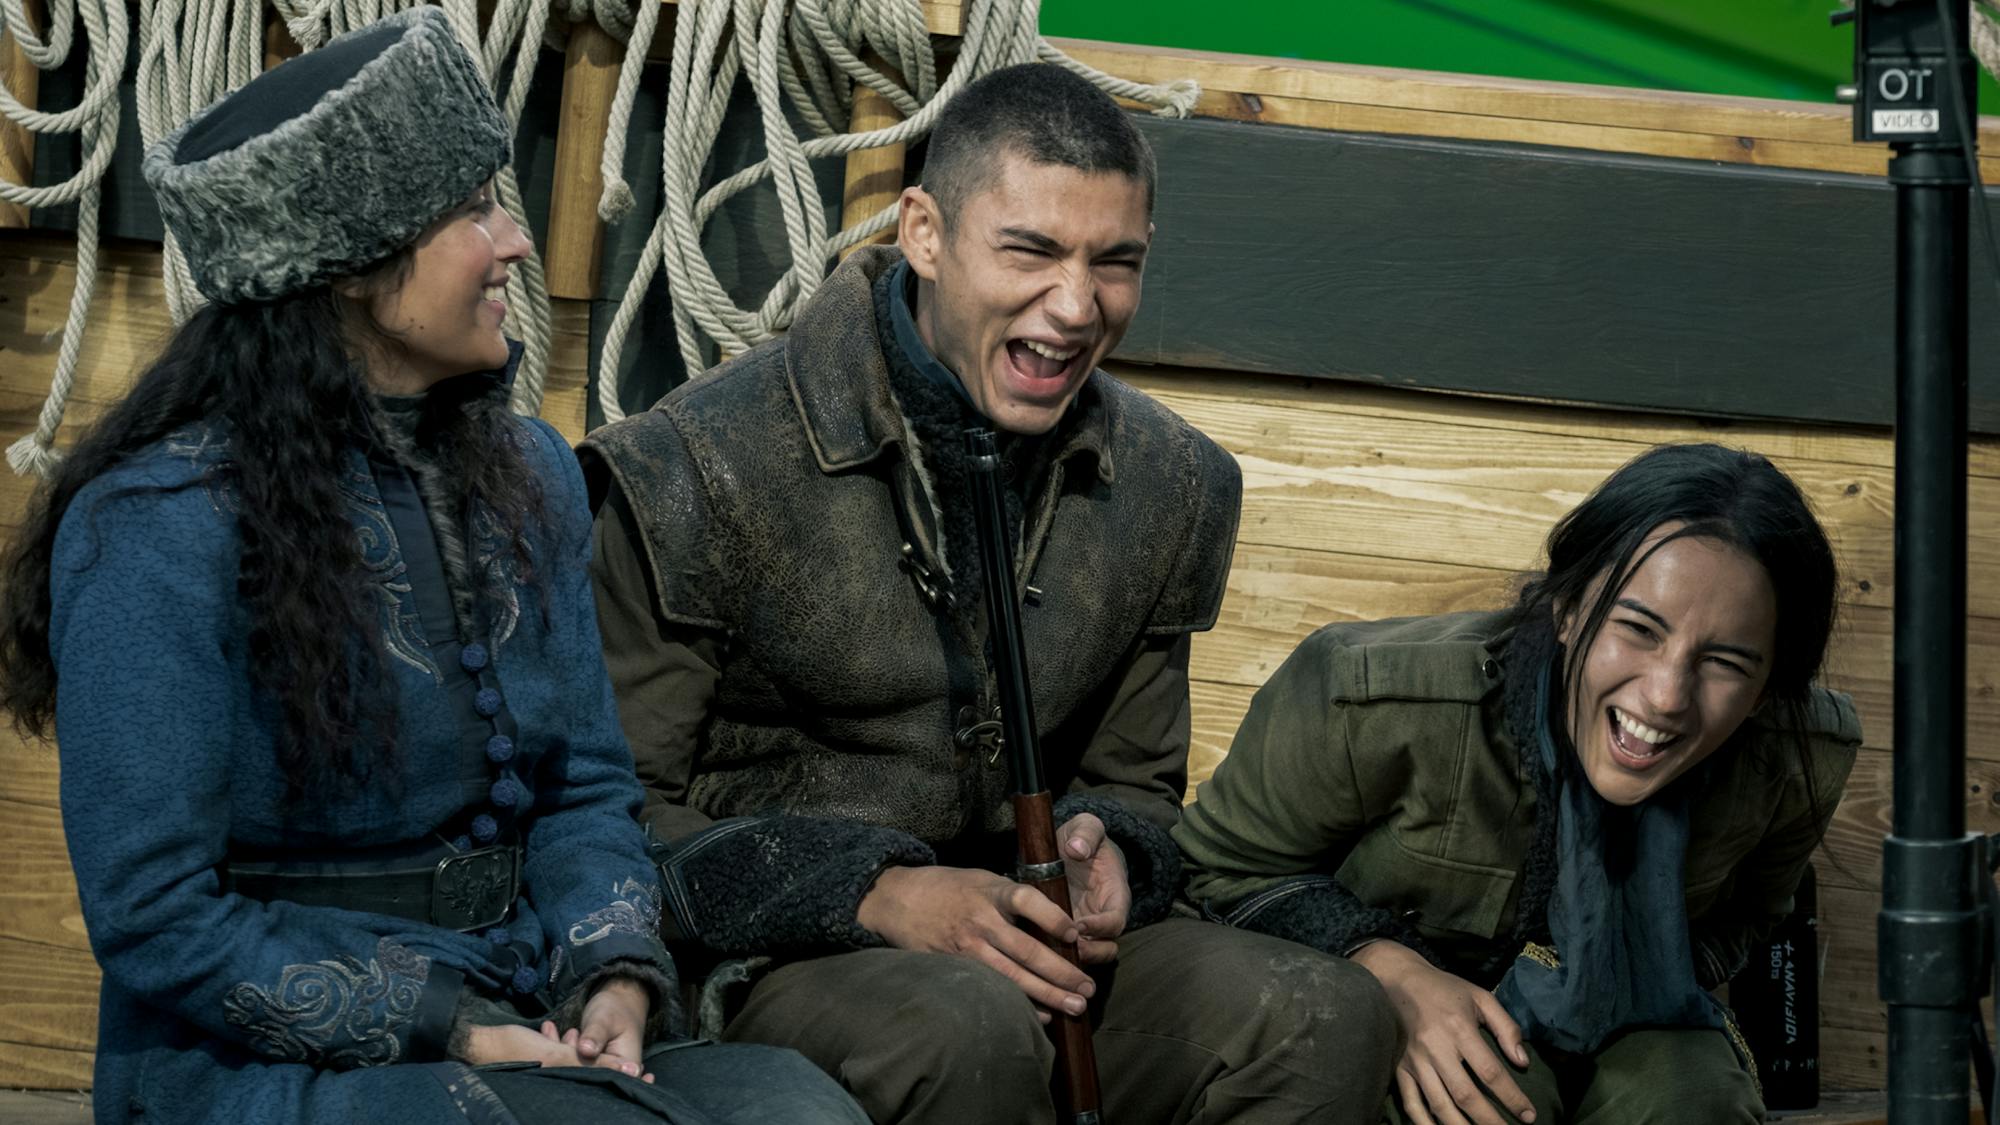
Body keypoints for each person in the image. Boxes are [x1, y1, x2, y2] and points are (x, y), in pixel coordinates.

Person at [0, 11, 863, 1124]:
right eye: (472, 212)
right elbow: (154, 911)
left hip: (521, 996)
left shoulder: (531, 472)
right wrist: (442, 1023)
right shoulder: (157, 526)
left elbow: (582, 789)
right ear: (356, 268)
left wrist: (609, 972)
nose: (513, 242)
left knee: (796, 1110)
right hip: (264, 1065)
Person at [580, 61, 1398, 1125]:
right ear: (923, 233)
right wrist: (873, 893)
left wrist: (1111, 858)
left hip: (1041, 953)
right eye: (1030, 250)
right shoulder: (693, 464)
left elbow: (1138, 785)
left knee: (1323, 1015)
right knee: (962, 1028)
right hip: (779, 964)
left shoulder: (1174, 484)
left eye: (1115, 263)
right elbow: (612, 812)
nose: (1074, 306)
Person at [1172, 442, 1863, 1125]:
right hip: (1393, 999)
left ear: (1769, 690)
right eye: (1637, 629)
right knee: (1485, 1103)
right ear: (1566, 607)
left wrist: (1628, 967)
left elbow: (1749, 914)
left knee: (1694, 1096)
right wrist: (1390, 974)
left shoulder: (1801, 759)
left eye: (1724, 663)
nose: (1665, 696)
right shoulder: (1373, 698)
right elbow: (1216, 868)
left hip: (1641, 1009)